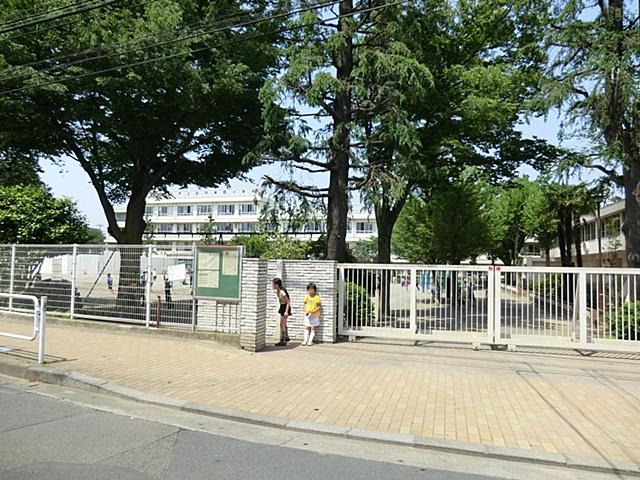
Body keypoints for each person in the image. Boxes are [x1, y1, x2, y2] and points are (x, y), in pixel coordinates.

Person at [272, 278, 291, 346]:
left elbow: (288, 301)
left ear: (277, 285)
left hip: (285, 307)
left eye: (273, 284)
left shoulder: (282, 292)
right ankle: (287, 338)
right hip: (282, 306)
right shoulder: (278, 291)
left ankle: (283, 340)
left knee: (282, 324)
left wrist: (286, 311)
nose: (272, 285)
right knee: (284, 324)